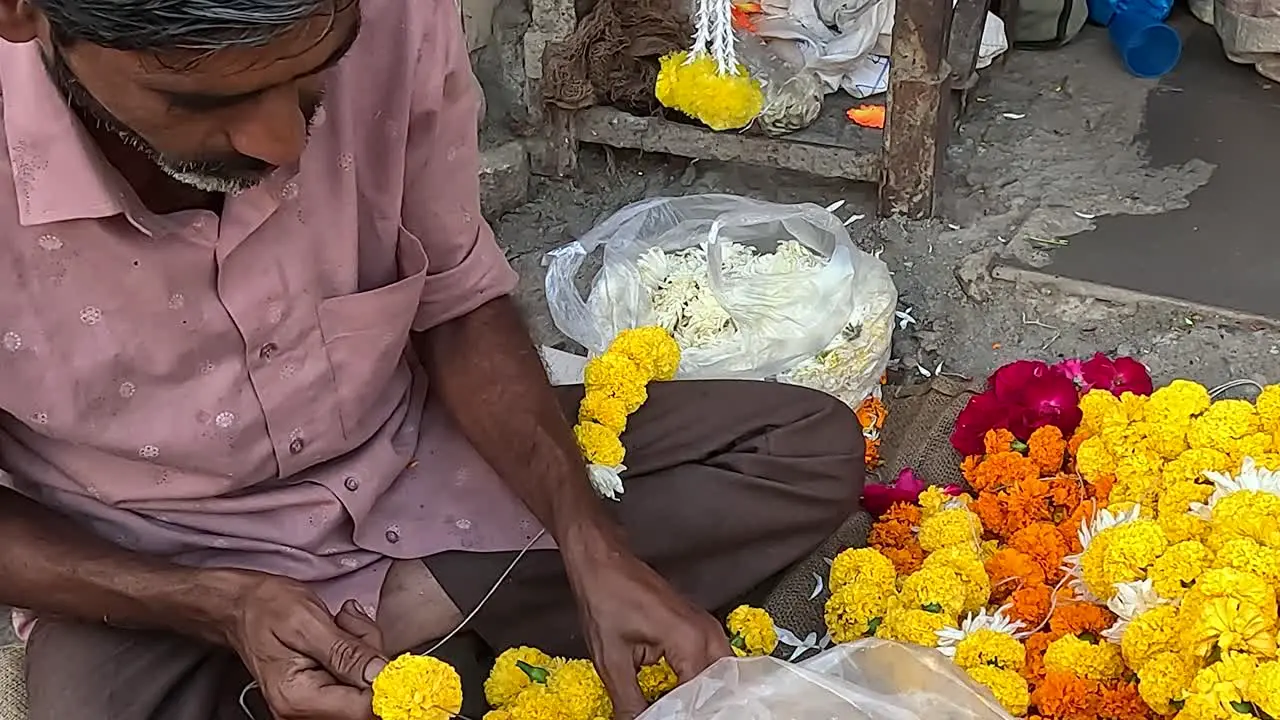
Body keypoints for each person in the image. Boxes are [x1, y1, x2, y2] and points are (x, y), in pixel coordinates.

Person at [0, 0, 865, 718]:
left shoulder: (397, 13)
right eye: (197, 101)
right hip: (155, 560)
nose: (284, 147)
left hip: (413, 466)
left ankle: (414, 618)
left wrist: (588, 541)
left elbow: (456, 296)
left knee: (804, 447)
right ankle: (426, 636)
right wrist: (213, 604)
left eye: (314, 74)